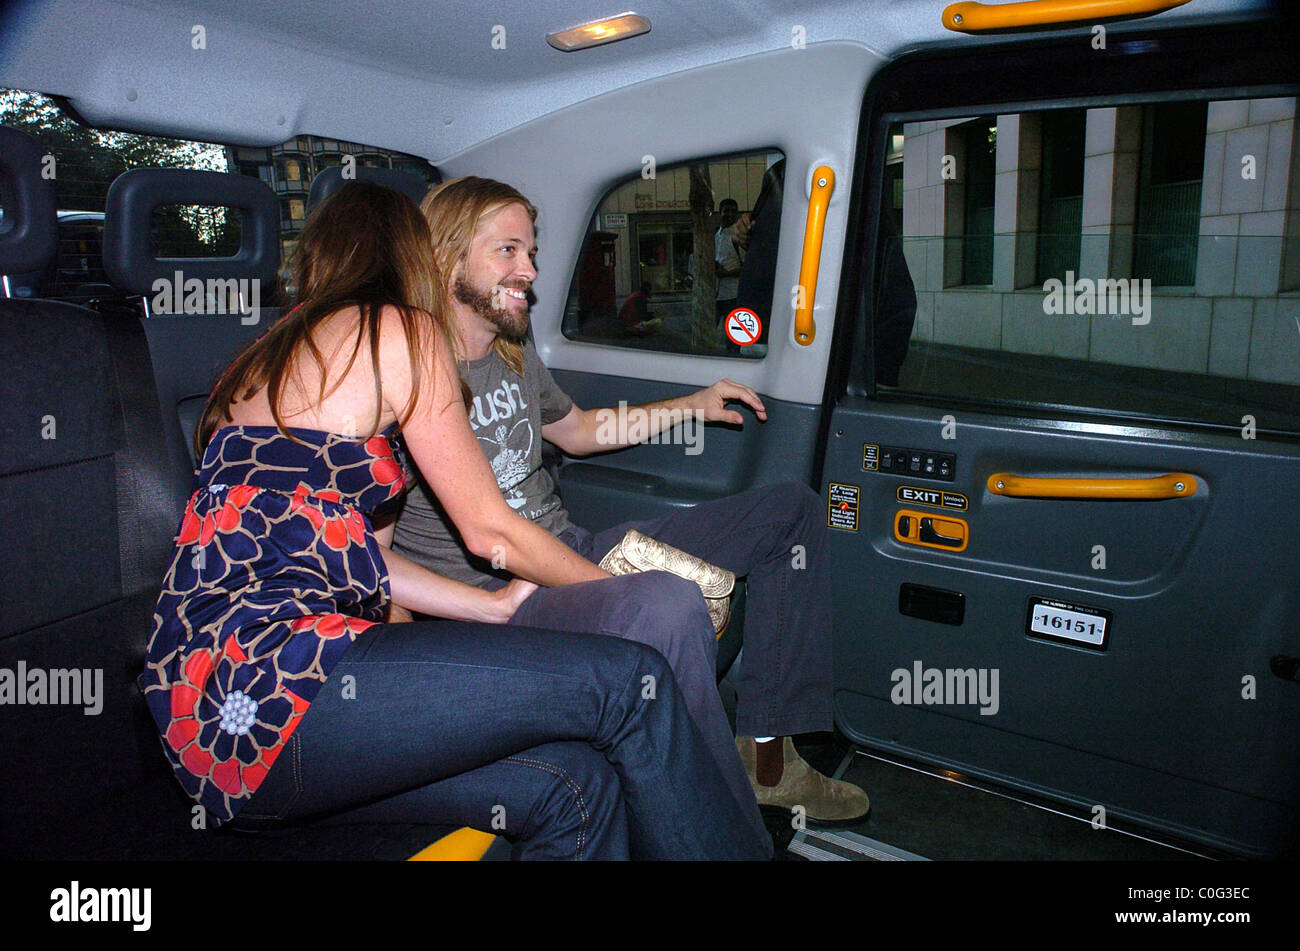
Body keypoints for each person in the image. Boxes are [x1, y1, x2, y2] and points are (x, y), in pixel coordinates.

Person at [136, 181, 771, 860]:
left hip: (199, 713)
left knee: (574, 786)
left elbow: (360, 559)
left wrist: (491, 608)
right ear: (421, 257)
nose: (526, 268)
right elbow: (489, 531)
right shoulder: (400, 329)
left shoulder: (253, 366)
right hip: (276, 677)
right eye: (508, 248)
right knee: (626, 688)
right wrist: (611, 590)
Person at [392, 176, 870, 825]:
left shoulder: (513, 350)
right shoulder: (406, 372)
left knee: (790, 512)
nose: (528, 270)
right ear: (448, 256)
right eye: (508, 251)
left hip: (572, 548)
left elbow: (581, 430)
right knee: (670, 610)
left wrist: (692, 406)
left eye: (530, 252)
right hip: (504, 599)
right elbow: (382, 550)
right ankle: (725, 831)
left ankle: (770, 757)